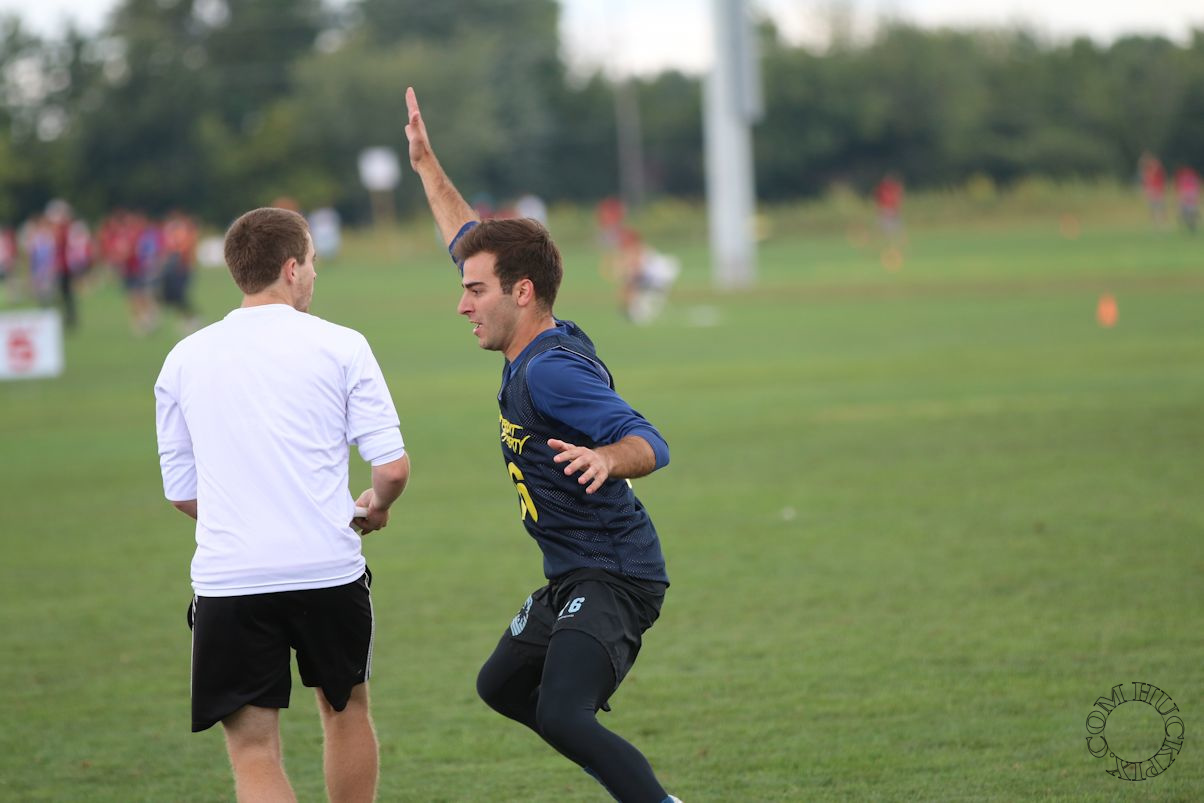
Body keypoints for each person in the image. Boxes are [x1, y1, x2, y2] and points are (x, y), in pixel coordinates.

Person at [404, 87, 681, 803]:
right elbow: (467, 236)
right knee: (502, 686)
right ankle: (616, 767)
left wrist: (607, 457)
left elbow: (649, 440)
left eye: (475, 291)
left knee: (561, 713)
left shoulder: (550, 371)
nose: (462, 303)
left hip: (615, 572)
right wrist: (427, 165)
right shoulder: (537, 337)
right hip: (573, 571)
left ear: (521, 292)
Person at [154, 207, 410, 803]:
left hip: (230, 578)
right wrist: (377, 506)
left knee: (253, 752)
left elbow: (182, 491)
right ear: (292, 268)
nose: (315, 274)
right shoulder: (342, 344)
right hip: (327, 569)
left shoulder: (183, 358)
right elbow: (392, 468)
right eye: (313, 262)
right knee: (345, 713)